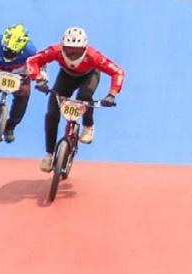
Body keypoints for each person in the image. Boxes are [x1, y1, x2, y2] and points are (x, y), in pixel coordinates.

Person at [26, 27, 123, 172]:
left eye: (76, 51)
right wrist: (38, 79)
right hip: (66, 76)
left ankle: (88, 126)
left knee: (84, 97)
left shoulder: (94, 56)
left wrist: (112, 94)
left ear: (85, 48)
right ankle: (49, 155)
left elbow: (117, 71)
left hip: (89, 75)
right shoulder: (55, 51)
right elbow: (33, 60)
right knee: (52, 112)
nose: (72, 55)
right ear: (62, 47)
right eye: (68, 50)